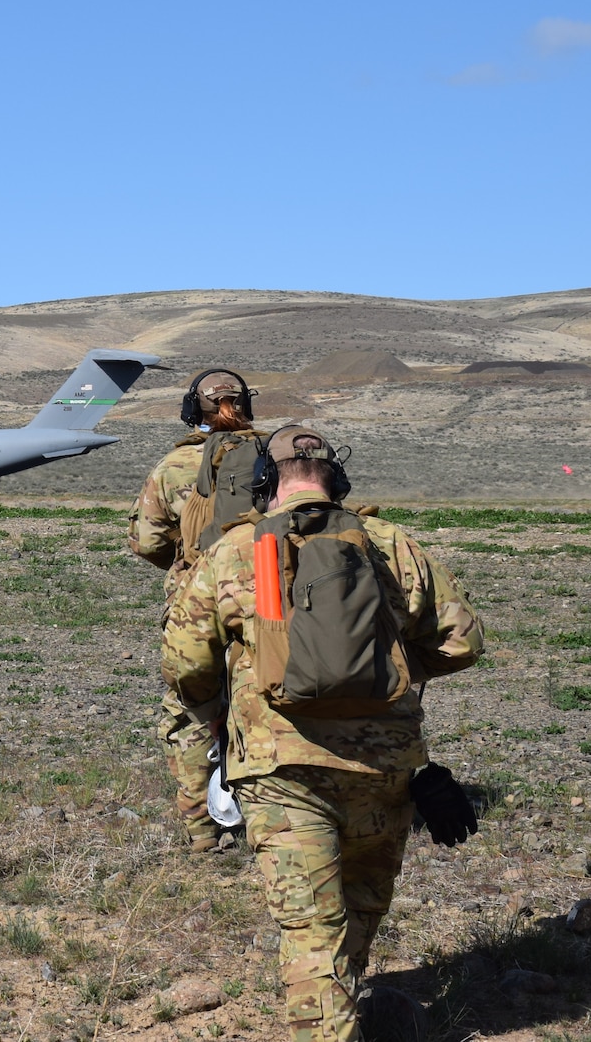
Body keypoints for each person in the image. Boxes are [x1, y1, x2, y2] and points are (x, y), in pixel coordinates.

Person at [162, 425, 483, 1042]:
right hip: (383, 771)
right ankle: (345, 1014)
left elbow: (185, 665)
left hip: (278, 770)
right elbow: (462, 641)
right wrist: (392, 671)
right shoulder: (391, 544)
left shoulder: (233, 551)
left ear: (264, 482)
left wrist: (221, 710)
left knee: (310, 933)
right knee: (359, 908)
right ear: (336, 479)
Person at [129, 368, 265, 851]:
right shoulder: (279, 458)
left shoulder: (174, 466)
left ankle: (203, 834)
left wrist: (191, 567)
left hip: (195, 607)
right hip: (267, 604)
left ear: (193, 409)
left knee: (189, 712)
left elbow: (147, 542)